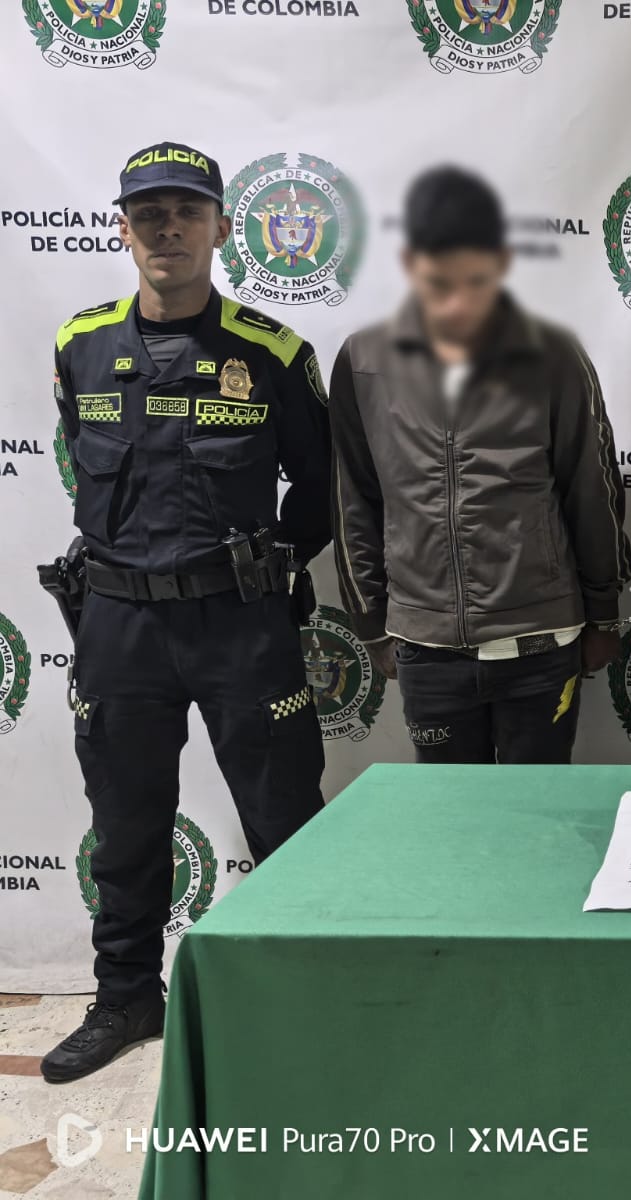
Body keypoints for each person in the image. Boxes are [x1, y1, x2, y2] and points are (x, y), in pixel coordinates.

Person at [42, 142, 330, 1082]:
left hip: (240, 625)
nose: (168, 229)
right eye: (149, 214)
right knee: (125, 825)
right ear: (123, 230)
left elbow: (321, 492)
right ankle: (127, 996)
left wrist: (263, 568)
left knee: (283, 816)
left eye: (188, 212)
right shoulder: (80, 343)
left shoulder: (274, 352)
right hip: (118, 626)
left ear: (221, 229)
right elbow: (80, 461)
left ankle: (300, 1006)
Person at [329, 166, 630, 763]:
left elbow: (591, 489)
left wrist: (603, 615)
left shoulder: (552, 354)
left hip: (540, 640)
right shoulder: (364, 360)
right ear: (411, 261)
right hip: (425, 645)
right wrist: (371, 622)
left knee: (538, 809)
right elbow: (352, 498)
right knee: (451, 814)